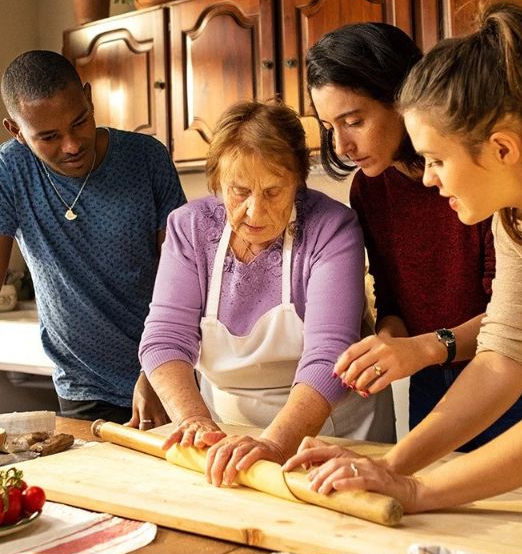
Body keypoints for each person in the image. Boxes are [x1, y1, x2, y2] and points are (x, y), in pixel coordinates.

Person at [284, 2, 522, 511]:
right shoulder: (516, 216)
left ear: (502, 149)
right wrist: (391, 466)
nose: (428, 178)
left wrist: (415, 490)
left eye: (436, 159)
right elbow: (506, 350)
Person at [139, 100, 395, 487]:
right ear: (217, 183)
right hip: (224, 434)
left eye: (274, 191)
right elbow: (165, 338)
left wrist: (275, 442)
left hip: (331, 433)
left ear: (298, 181)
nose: (255, 212)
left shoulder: (331, 228)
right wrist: (194, 421)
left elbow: (330, 354)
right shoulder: (189, 228)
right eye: (238, 192)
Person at [0, 50, 186, 426]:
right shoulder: (11, 171)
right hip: (83, 388)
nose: (71, 145)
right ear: (16, 131)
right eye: (49, 137)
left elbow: (182, 279)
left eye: (80, 121)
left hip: (166, 374)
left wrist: (159, 367)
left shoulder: (146, 158)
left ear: (88, 97)